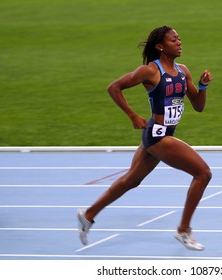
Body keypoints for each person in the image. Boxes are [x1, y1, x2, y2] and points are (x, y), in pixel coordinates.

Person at [77, 25, 213, 251]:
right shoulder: (150, 71)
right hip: (157, 136)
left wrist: (203, 86)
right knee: (203, 173)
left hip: (162, 135)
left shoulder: (183, 71)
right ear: (160, 46)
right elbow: (114, 88)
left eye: (179, 39)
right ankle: (183, 230)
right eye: (173, 40)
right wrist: (132, 115)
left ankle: (88, 215)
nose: (179, 42)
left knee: (131, 180)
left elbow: (198, 106)